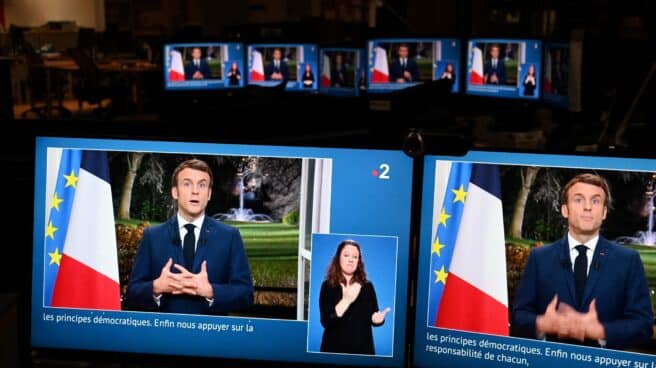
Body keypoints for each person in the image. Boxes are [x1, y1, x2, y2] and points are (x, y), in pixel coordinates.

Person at [511, 173, 653, 350]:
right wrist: (543, 323)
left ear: (604, 212)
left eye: (595, 201)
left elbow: (643, 325)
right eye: (579, 200)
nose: (588, 207)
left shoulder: (628, 260)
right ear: (565, 210)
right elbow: (518, 317)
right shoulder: (540, 257)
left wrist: (601, 330)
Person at [127, 159, 254, 315]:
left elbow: (246, 294)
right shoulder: (152, 236)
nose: (195, 191)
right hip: (164, 334)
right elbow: (133, 292)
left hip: (211, 334)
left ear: (209, 194)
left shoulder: (229, 237)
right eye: (187, 184)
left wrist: (211, 291)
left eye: (202, 185)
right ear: (175, 192)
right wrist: (156, 287)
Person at [319, 240, 391, 355]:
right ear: (338, 258)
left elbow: (374, 315)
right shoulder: (327, 286)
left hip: (363, 351)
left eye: (355, 257)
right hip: (333, 350)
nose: (351, 259)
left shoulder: (367, 286)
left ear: (359, 262)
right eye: (346, 255)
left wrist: (377, 319)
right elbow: (326, 321)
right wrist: (346, 300)